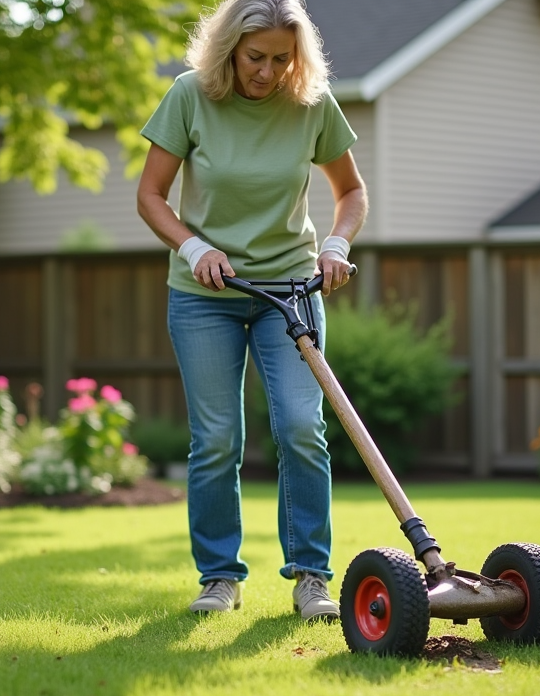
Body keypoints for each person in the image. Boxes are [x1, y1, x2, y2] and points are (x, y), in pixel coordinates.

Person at [136, 0, 367, 621]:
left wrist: (337, 244)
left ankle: (312, 578)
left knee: (300, 426)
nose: (267, 72)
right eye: (255, 57)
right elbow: (151, 196)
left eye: (281, 59)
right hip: (205, 294)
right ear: (229, 50)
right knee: (216, 438)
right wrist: (194, 245)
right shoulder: (190, 96)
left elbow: (350, 192)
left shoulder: (312, 104)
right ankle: (218, 578)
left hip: (290, 290)